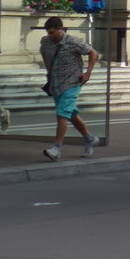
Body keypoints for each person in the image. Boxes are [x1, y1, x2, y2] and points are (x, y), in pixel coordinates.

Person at [39, 17, 99, 160]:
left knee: (61, 113)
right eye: (48, 32)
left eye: (53, 32)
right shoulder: (45, 41)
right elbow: (44, 55)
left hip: (72, 83)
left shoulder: (73, 41)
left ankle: (56, 148)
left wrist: (88, 72)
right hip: (56, 83)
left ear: (61, 29)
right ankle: (90, 139)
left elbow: (93, 53)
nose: (50, 35)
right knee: (70, 113)